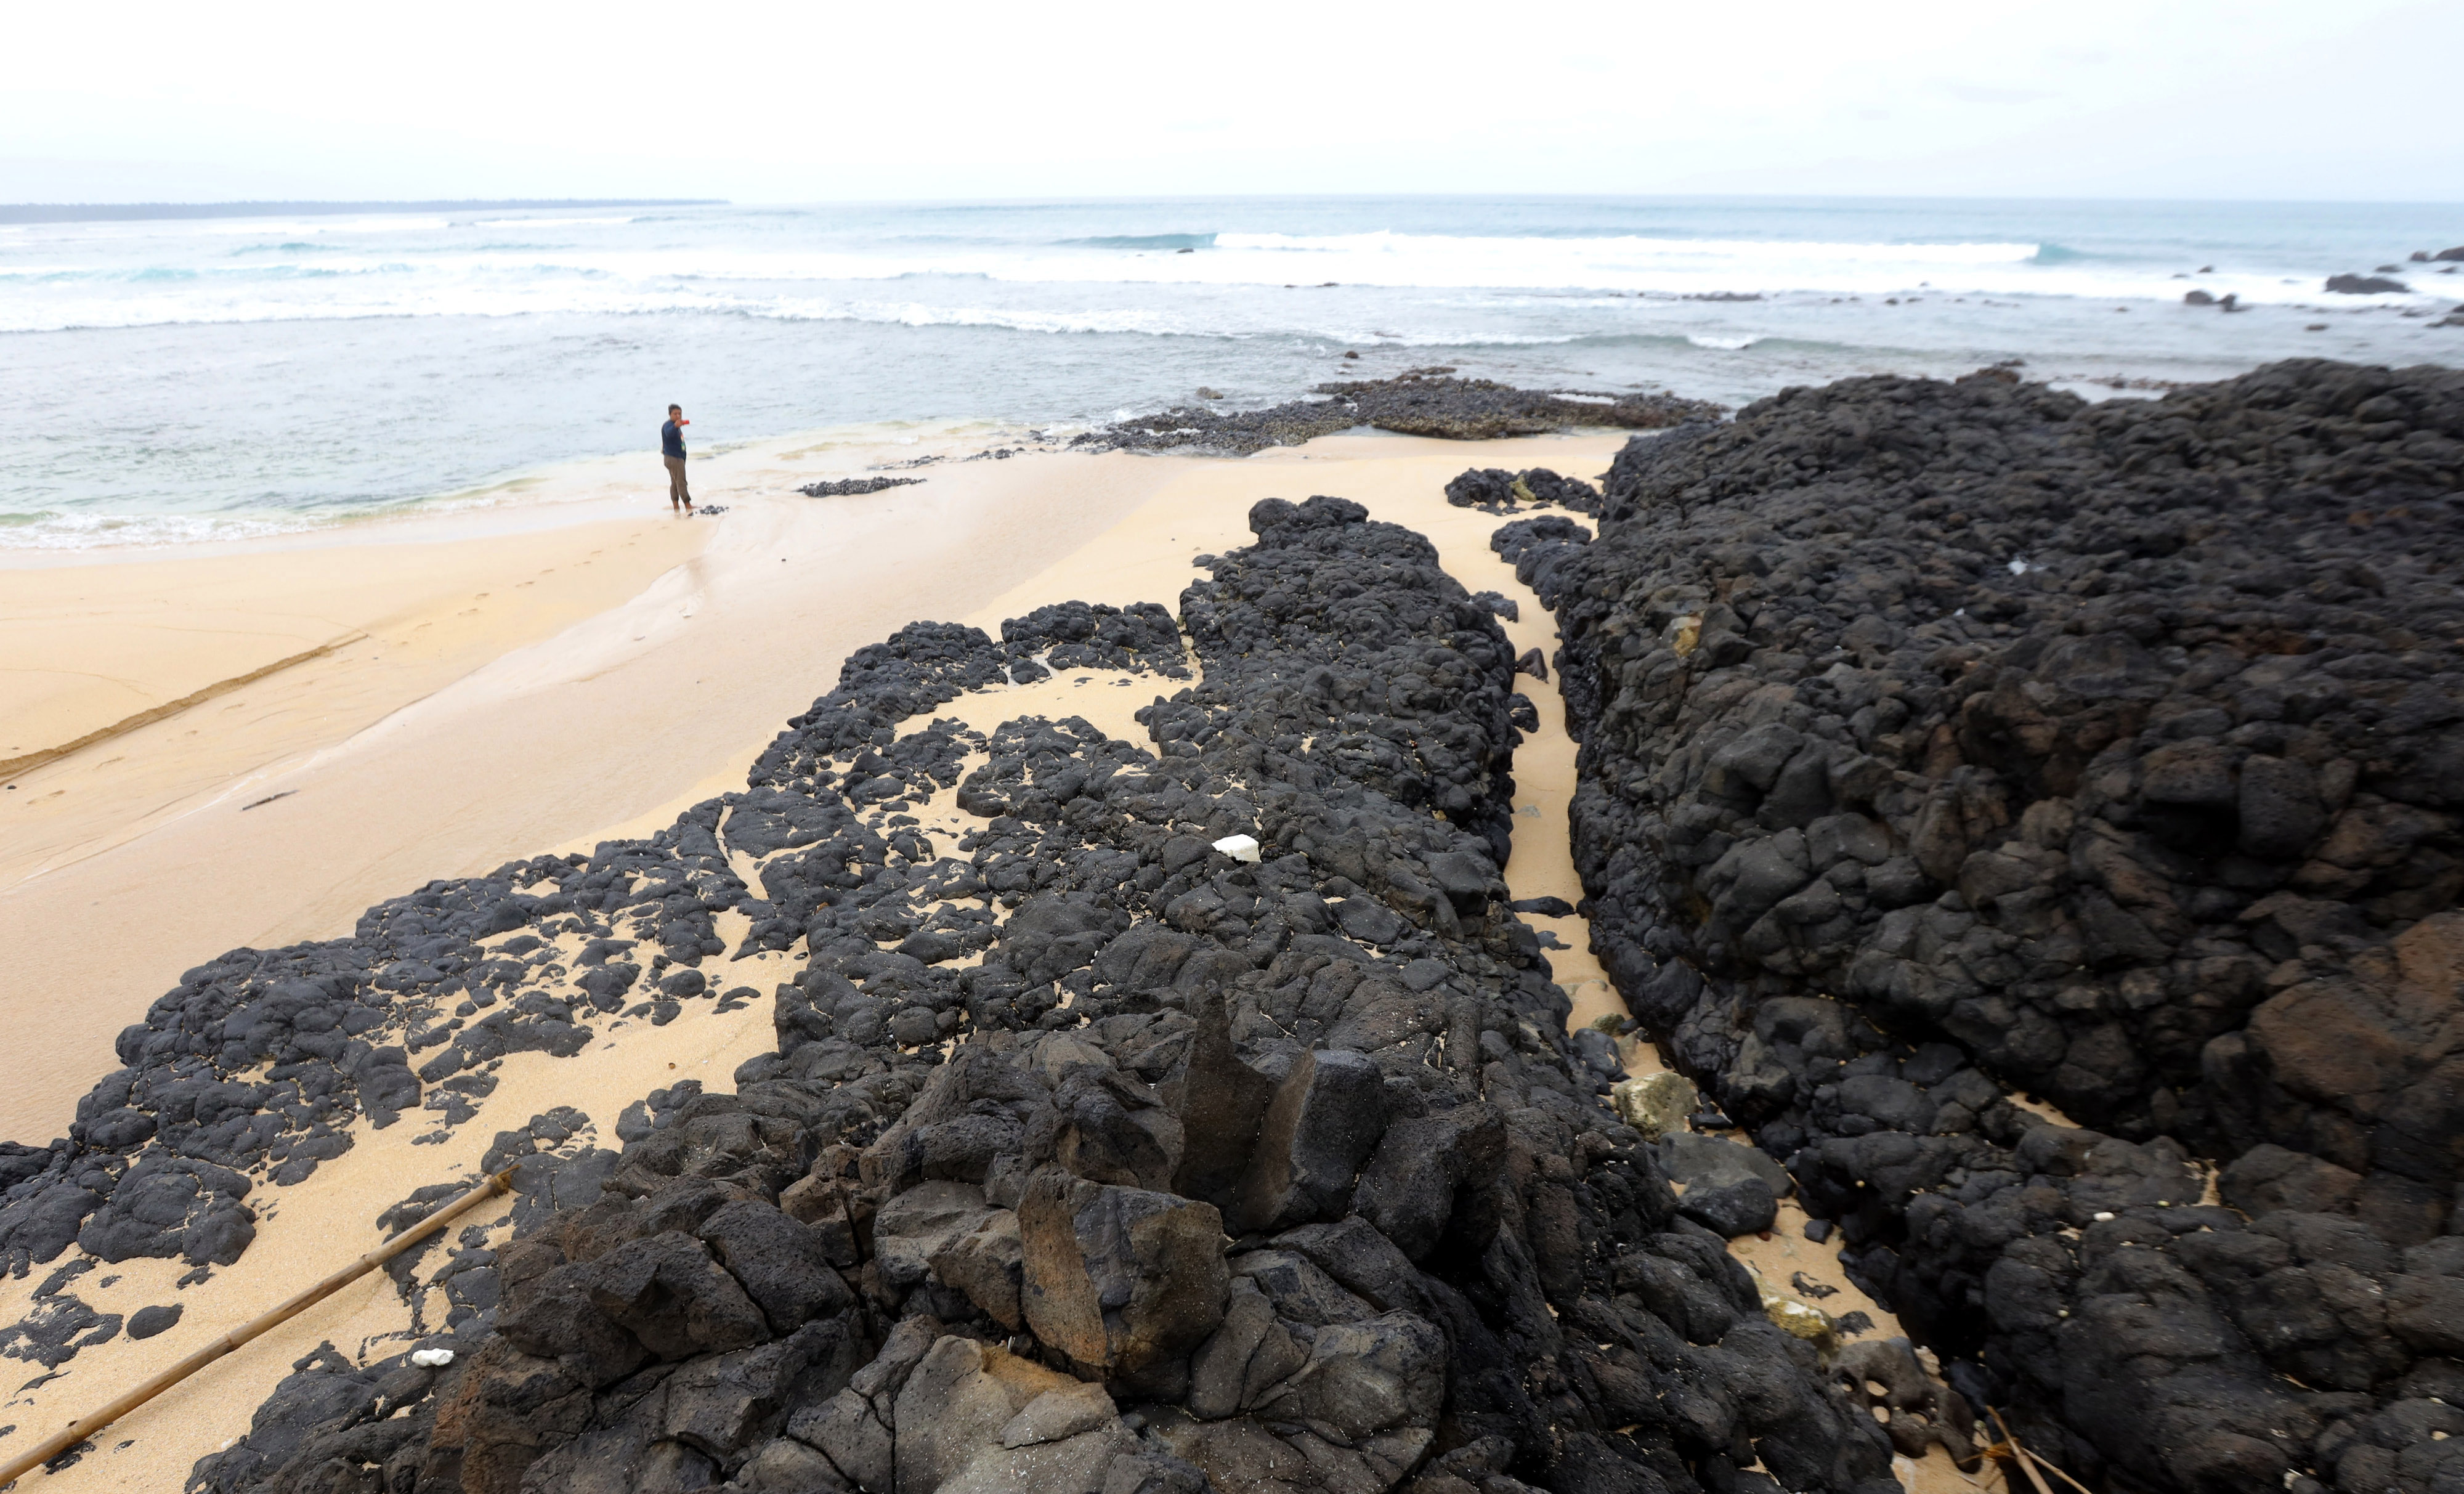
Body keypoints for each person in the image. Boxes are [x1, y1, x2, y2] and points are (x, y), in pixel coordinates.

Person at [661, 404, 692, 514]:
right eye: (675, 414)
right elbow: (669, 433)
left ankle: (676, 507)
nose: (678, 416)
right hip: (674, 459)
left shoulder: (676, 427)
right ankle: (688, 505)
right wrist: (675, 427)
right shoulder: (669, 426)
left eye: (680, 414)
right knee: (681, 482)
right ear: (670, 415)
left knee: (675, 482)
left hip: (675, 458)